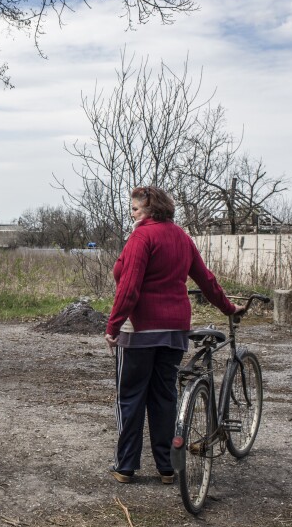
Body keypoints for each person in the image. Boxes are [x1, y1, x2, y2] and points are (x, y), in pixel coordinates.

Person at [104, 186, 244, 484]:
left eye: (135, 209)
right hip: (174, 330)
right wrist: (228, 308)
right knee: (164, 397)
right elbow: (206, 280)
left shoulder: (141, 237)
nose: (132, 214)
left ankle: (126, 466)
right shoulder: (182, 237)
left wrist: (112, 327)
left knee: (130, 397)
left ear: (151, 210)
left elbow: (129, 288)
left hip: (139, 331)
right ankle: (167, 467)